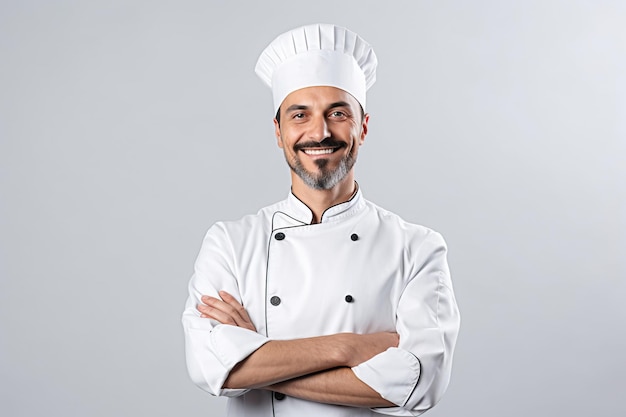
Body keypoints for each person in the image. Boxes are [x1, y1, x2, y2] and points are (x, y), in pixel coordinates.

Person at [182, 23, 460, 417]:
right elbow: (208, 367)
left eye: (338, 112)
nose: (320, 131)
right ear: (278, 133)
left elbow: (421, 383)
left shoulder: (417, 247)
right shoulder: (229, 242)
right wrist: (346, 348)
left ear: (362, 128)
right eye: (300, 115)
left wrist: (251, 363)